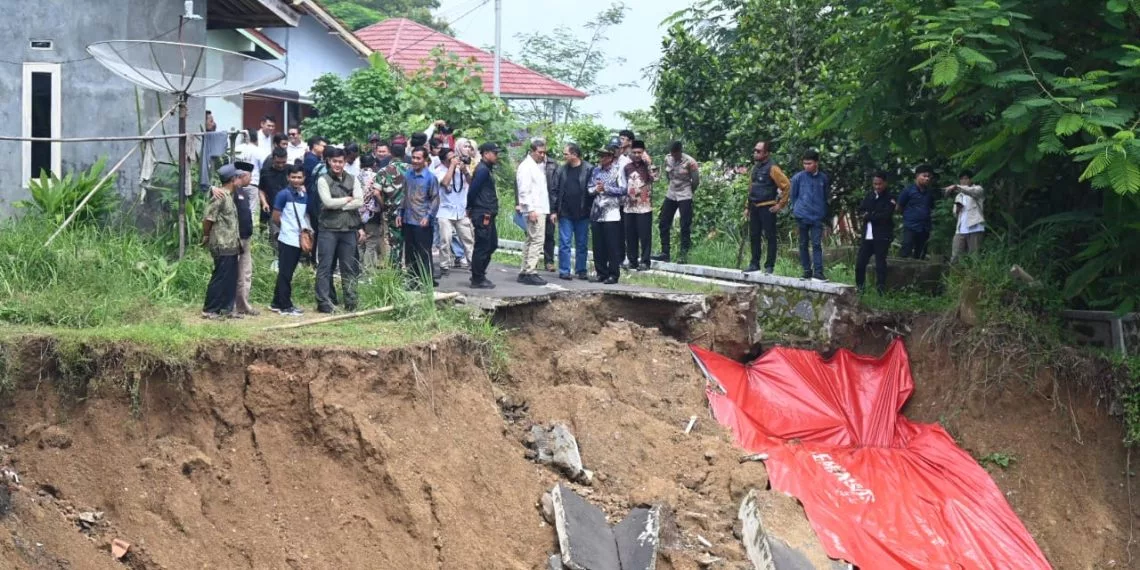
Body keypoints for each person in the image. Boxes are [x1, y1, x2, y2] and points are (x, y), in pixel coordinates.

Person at [315, 147, 364, 313]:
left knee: (349, 267)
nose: (337, 164)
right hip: (328, 229)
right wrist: (346, 199)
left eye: (340, 161)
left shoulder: (353, 179)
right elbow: (327, 202)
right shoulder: (323, 180)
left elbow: (359, 201)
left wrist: (340, 206)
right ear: (329, 161)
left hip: (348, 229)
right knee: (325, 267)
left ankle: (351, 301)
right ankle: (324, 302)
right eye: (334, 161)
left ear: (344, 162)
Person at [201, 163, 245, 319]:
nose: (241, 180)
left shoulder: (229, 196)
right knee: (220, 276)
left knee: (230, 277)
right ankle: (210, 309)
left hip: (232, 243)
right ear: (233, 179)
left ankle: (226, 309)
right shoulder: (219, 197)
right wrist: (206, 235)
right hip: (221, 243)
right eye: (239, 177)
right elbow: (208, 219)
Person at [744, 141, 791, 274]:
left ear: (766, 153)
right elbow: (751, 189)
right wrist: (747, 206)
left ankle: (769, 266)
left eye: (758, 151)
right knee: (754, 236)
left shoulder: (773, 168)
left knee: (770, 236)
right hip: (754, 206)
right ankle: (754, 264)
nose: (755, 153)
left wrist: (780, 204)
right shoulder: (755, 168)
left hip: (767, 207)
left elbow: (786, 185)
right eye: (755, 150)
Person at [270, 165, 311, 316]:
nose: (296, 180)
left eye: (299, 177)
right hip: (287, 238)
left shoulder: (303, 195)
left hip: (297, 239)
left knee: (286, 272)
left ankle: (276, 302)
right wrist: (286, 227)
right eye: (293, 177)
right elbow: (276, 216)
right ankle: (285, 305)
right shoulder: (283, 195)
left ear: (304, 178)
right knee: (286, 274)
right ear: (288, 177)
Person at [398, 147, 441, 289]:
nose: (415, 161)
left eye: (418, 158)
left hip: (422, 220)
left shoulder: (430, 178)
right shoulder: (408, 175)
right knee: (410, 253)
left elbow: (435, 199)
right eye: (413, 157)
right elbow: (404, 195)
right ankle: (412, 281)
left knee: (423, 252)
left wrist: (428, 217)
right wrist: (400, 213)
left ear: (425, 160)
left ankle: (426, 281)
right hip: (408, 219)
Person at [551, 143, 593, 280]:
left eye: (566, 154)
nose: (564, 156)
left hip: (583, 213)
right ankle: (564, 270)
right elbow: (555, 191)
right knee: (564, 243)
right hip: (565, 213)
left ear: (574, 155)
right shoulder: (561, 170)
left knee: (582, 243)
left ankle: (581, 270)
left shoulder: (588, 169)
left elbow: (592, 191)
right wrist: (554, 210)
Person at [654, 141, 699, 263]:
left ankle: (683, 255)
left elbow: (695, 180)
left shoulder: (690, 162)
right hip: (672, 192)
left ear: (680, 151)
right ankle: (665, 252)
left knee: (685, 225)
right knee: (663, 222)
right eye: (672, 154)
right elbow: (667, 176)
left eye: (676, 154)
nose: (674, 156)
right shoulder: (668, 159)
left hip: (685, 193)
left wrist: (690, 191)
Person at [789, 149, 830, 282]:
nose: (806, 166)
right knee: (803, 244)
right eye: (805, 163)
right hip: (802, 215)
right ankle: (807, 271)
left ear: (816, 163)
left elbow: (825, 196)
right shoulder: (798, 178)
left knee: (817, 244)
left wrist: (822, 212)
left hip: (817, 216)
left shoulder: (823, 178)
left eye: (809, 163)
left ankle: (818, 272)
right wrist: (797, 210)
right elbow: (793, 196)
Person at [590, 145, 628, 284]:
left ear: (611, 157)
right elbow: (589, 188)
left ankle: (613, 274)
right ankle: (601, 272)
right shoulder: (595, 171)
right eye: (600, 155)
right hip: (596, 212)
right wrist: (596, 189)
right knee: (598, 245)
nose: (601, 158)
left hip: (611, 212)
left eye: (604, 155)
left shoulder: (618, 171)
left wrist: (606, 188)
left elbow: (624, 190)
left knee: (612, 245)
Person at [516, 138, 551, 286]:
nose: (542, 155)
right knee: (537, 239)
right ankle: (530, 270)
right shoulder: (526, 167)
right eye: (539, 152)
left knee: (531, 239)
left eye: (544, 152)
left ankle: (525, 270)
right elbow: (524, 190)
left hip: (539, 207)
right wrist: (530, 209)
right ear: (532, 151)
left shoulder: (537, 166)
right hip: (534, 208)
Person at [435, 148, 475, 275]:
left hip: (461, 211)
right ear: (443, 160)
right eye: (450, 158)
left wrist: (465, 171)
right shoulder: (439, 170)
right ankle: (444, 265)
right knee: (445, 239)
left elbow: (472, 184)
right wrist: (452, 166)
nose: (455, 159)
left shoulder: (461, 169)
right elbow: (445, 182)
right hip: (445, 211)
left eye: (455, 156)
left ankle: (473, 264)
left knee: (468, 239)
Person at [855, 172, 896, 294]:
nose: (877, 187)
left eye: (880, 184)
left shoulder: (890, 198)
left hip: (881, 235)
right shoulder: (869, 196)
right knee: (860, 264)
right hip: (867, 235)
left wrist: (869, 216)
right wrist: (870, 215)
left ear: (885, 183)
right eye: (875, 184)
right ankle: (860, 288)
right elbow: (861, 211)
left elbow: (885, 216)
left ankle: (881, 290)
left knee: (880, 265)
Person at [467, 142, 501, 289]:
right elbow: (472, 190)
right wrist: (470, 207)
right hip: (482, 213)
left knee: (492, 244)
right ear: (486, 153)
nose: (497, 156)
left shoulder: (486, 169)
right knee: (482, 245)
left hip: (488, 212)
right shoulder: (482, 170)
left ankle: (479, 272)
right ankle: (477, 278)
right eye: (494, 153)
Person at [231, 160, 260, 316]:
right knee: (233, 272)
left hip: (246, 237)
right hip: (235, 237)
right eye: (250, 176)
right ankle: (232, 306)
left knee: (245, 272)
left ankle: (243, 305)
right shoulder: (231, 191)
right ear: (243, 175)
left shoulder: (244, 191)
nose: (251, 179)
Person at [621, 140, 655, 270]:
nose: (636, 154)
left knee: (645, 236)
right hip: (629, 207)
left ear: (643, 152)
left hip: (644, 206)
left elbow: (655, 178)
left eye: (639, 152)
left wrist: (649, 162)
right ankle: (632, 260)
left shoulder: (648, 166)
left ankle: (645, 262)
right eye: (634, 152)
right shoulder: (627, 167)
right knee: (630, 236)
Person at [897, 164, 936, 259]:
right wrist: (908, 216)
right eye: (924, 176)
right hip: (911, 225)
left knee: (921, 252)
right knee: (906, 248)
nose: (927, 179)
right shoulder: (908, 191)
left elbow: (931, 207)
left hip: (925, 227)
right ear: (917, 176)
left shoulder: (929, 193)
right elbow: (899, 207)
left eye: (929, 176)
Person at [945, 170, 985, 262]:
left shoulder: (978, 189)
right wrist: (957, 209)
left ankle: (974, 276)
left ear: (971, 180)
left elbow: (970, 191)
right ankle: (955, 275)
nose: (963, 181)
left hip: (975, 227)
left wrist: (956, 187)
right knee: (956, 256)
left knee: (974, 256)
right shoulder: (959, 196)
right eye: (961, 179)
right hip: (960, 229)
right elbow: (955, 214)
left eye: (966, 178)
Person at [259, 147, 291, 253]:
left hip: (289, 210)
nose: (281, 165)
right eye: (278, 162)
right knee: (275, 236)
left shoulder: (290, 170)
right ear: (273, 159)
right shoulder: (265, 172)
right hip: (273, 209)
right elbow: (261, 189)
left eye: (283, 162)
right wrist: (264, 203)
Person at [542, 150, 559, 272]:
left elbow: (557, 185)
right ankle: (531, 261)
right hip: (534, 204)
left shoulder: (553, 164)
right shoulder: (528, 164)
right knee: (532, 235)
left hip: (549, 203)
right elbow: (519, 184)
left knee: (549, 234)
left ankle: (549, 261)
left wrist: (555, 207)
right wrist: (518, 203)